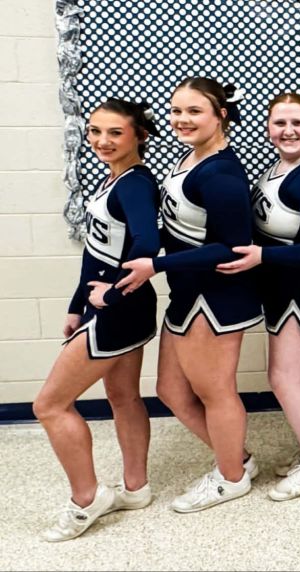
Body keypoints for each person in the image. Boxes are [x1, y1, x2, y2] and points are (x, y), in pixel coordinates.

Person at [119, 77, 263, 512]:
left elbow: (232, 246)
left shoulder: (221, 173)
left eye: (194, 111)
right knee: (171, 391)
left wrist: (157, 265)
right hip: (187, 291)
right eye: (176, 110)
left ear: (221, 115)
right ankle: (238, 459)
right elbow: (182, 230)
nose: (182, 119)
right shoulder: (191, 159)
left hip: (216, 297)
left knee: (215, 391)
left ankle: (231, 478)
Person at [34, 99, 160, 540]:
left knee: (49, 405)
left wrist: (113, 293)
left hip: (118, 309)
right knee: (123, 396)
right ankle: (136, 487)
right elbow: (95, 254)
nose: (102, 141)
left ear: (139, 136)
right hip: (118, 308)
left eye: (115, 133)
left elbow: (147, 244)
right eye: (94, 131)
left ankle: (86, 499)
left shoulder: (135, 184)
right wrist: (76, 306)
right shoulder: (115, 180)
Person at [216, 93, 300, 500]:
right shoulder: (282, 165)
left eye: (297, 123)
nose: (288, 131)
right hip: (284, 283)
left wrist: (263, 256)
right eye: (279, 123)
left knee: (284, 377)